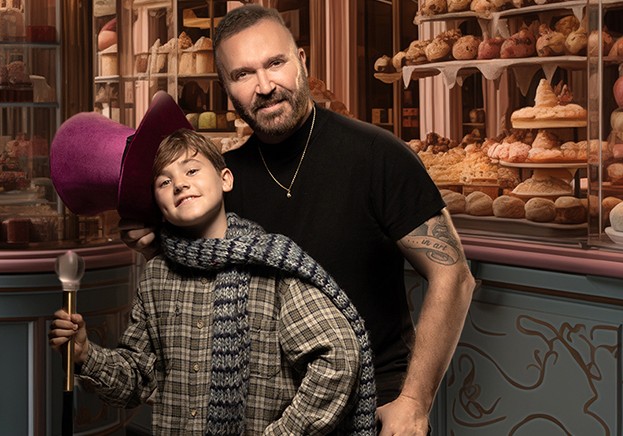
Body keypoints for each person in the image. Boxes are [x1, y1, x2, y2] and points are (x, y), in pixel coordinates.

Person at [120, 5, 477, 435]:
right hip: (273, 418)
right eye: (243, 74)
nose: (265, 86)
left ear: (302, 62)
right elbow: (195, 282)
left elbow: (453, 276)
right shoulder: (222, 183)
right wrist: (153, 240)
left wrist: (414, 402)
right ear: (226, 87)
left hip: (376, 407)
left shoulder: (377, 155)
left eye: (275, 63)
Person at [51, 128, 378, 435]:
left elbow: (338, 357)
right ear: (158, 206)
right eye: (164, 182)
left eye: (192, 170)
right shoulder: (156, 277)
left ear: (225, 179)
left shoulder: (271, 264)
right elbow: (137, 380)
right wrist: (84, 354)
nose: (180, 184)